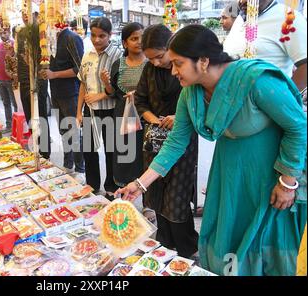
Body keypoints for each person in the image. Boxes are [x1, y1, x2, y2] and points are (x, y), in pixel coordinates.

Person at [117, 25, 307, 276]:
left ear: (203, 61)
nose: (173, 71)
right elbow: (175, 143)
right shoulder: (191, 93)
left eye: (178, 63)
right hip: (228, 173)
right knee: (227, 239)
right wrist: (139, 185)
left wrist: (287, 182)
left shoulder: (256, 81)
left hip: (270, 176)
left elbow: (298, 127)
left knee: (264, 244)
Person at [133, 24, 198, 258]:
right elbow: (140, 101)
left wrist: (177, 118)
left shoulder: (187, 70)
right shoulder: (149, 69)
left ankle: (186, 249)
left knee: (177, 199)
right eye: (150, 59)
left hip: (182, 140)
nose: (156, 63)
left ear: (171, 46)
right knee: (156, 194)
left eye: (159, 57)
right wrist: (154, 120)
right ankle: (164, 244)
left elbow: (195, 104)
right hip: (155, 138)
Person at [76, 17, 123, 198]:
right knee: (88, 148)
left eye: (101, 36)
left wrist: (101, 95)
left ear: (110, 35)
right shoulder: (87, 55)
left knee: (111, 151)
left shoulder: (117, 55)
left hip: (110, 110)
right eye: (93, 35)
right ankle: (92, 184)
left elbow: (118, 87)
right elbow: (82, 84)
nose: (97, 40)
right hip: (90, 110)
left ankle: (111, 187)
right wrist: (78, 111)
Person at [101, 22, 146, 190]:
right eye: (134, 38)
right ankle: (122, 191)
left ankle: (146, 200)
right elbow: (112, 93)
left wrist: (139, 95)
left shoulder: (151, 63)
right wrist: (106, 83)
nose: (139, 42)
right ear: (125, 43)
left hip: (144, 115)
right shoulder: (118, 64)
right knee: (123, 154)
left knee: (143, 155)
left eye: (142, 38)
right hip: (121, 115)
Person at [39, 20, 85, 175]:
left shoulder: (72, 38)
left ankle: (80, 169)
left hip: (71, 93)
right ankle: (68, 164)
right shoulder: (47, 40)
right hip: (56, 92)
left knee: (74, 132)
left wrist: (54, 74)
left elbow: (80, 69)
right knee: (63, 131)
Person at [238, 0, 307, 91]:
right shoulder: (240, 19)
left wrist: (284, 98)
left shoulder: (289, 18)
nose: (242, 1)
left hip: (267, 103)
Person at [17, 10, 51, 159]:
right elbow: (19, 56)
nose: (25, 16)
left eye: (28, 13)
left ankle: (44, 153)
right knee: (30, 116)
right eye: (23, 13)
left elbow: (47, 56)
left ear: (36, 15)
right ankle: (34, 147)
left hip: (39, 79)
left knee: (40, 116)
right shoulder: (20, 32)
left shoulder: (43, 30)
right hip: (24, 79)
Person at [0, 28, 18, 132]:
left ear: (9, 33)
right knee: (6, 103)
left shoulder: (14, 44)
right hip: (1, 80)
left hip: (11, 79)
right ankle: (9, 125)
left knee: (15, 103)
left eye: (4, 32)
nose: (2, 35)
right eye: (1, 33)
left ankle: (18, 125)